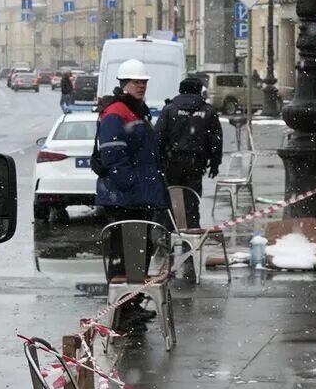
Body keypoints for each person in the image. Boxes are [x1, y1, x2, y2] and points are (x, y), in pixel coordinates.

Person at [94, 60, 168, 331]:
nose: (141, 86)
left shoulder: (135, 111)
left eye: (144, 82)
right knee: (124, 256)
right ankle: (122, 310)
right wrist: (130, 185)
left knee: (139, 253)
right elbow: (113, 153)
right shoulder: (117, 112)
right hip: (125, 198)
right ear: (124, 83)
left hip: (137, 196)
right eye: (136, 82)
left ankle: (132, 304)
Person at [156, 75, 223, 227]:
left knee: (171, 199)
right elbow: (216, 140)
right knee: (192, 201)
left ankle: (169, 235)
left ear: (181, 90)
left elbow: (159, 136)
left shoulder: (170, 109)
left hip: (172, 161)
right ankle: (191, 237)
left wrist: (161, 159)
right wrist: (214, 163)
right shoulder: (208, 111)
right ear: (199, 91)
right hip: (196, 163)